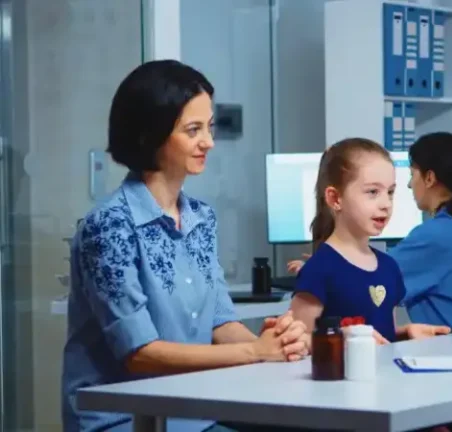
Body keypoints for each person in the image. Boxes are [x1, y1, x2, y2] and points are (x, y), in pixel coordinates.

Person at [61, 60, 309, 432]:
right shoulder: (109, 226)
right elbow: (140, 354)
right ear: (151, 135)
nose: (208, 142)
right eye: (193, 130)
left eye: (209, 128)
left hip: (193, 412)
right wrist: (256, 352)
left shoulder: (201, 218)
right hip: (122, 421)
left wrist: (276, 344)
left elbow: (221, 321)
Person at [288, 132, 452, 329]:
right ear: (335, 198)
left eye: (391, 192)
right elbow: (301, 343)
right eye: (372, 192)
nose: (386, 203)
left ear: (429, 178)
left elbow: (368, 295)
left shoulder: (400, 259)